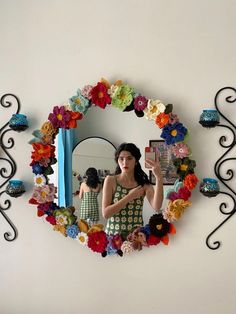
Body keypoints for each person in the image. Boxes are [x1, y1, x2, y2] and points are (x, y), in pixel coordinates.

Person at [102, 143, 163, 236]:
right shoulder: (110, 180)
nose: (125, 162)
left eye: (129, 158)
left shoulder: (144, 184)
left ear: (136, 161)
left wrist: (159, 177)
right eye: (121, 158)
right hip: (113, 239)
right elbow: (106, 214)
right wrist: (129, 196)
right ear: (117, 160)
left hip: (136, 239)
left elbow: (157, 206)